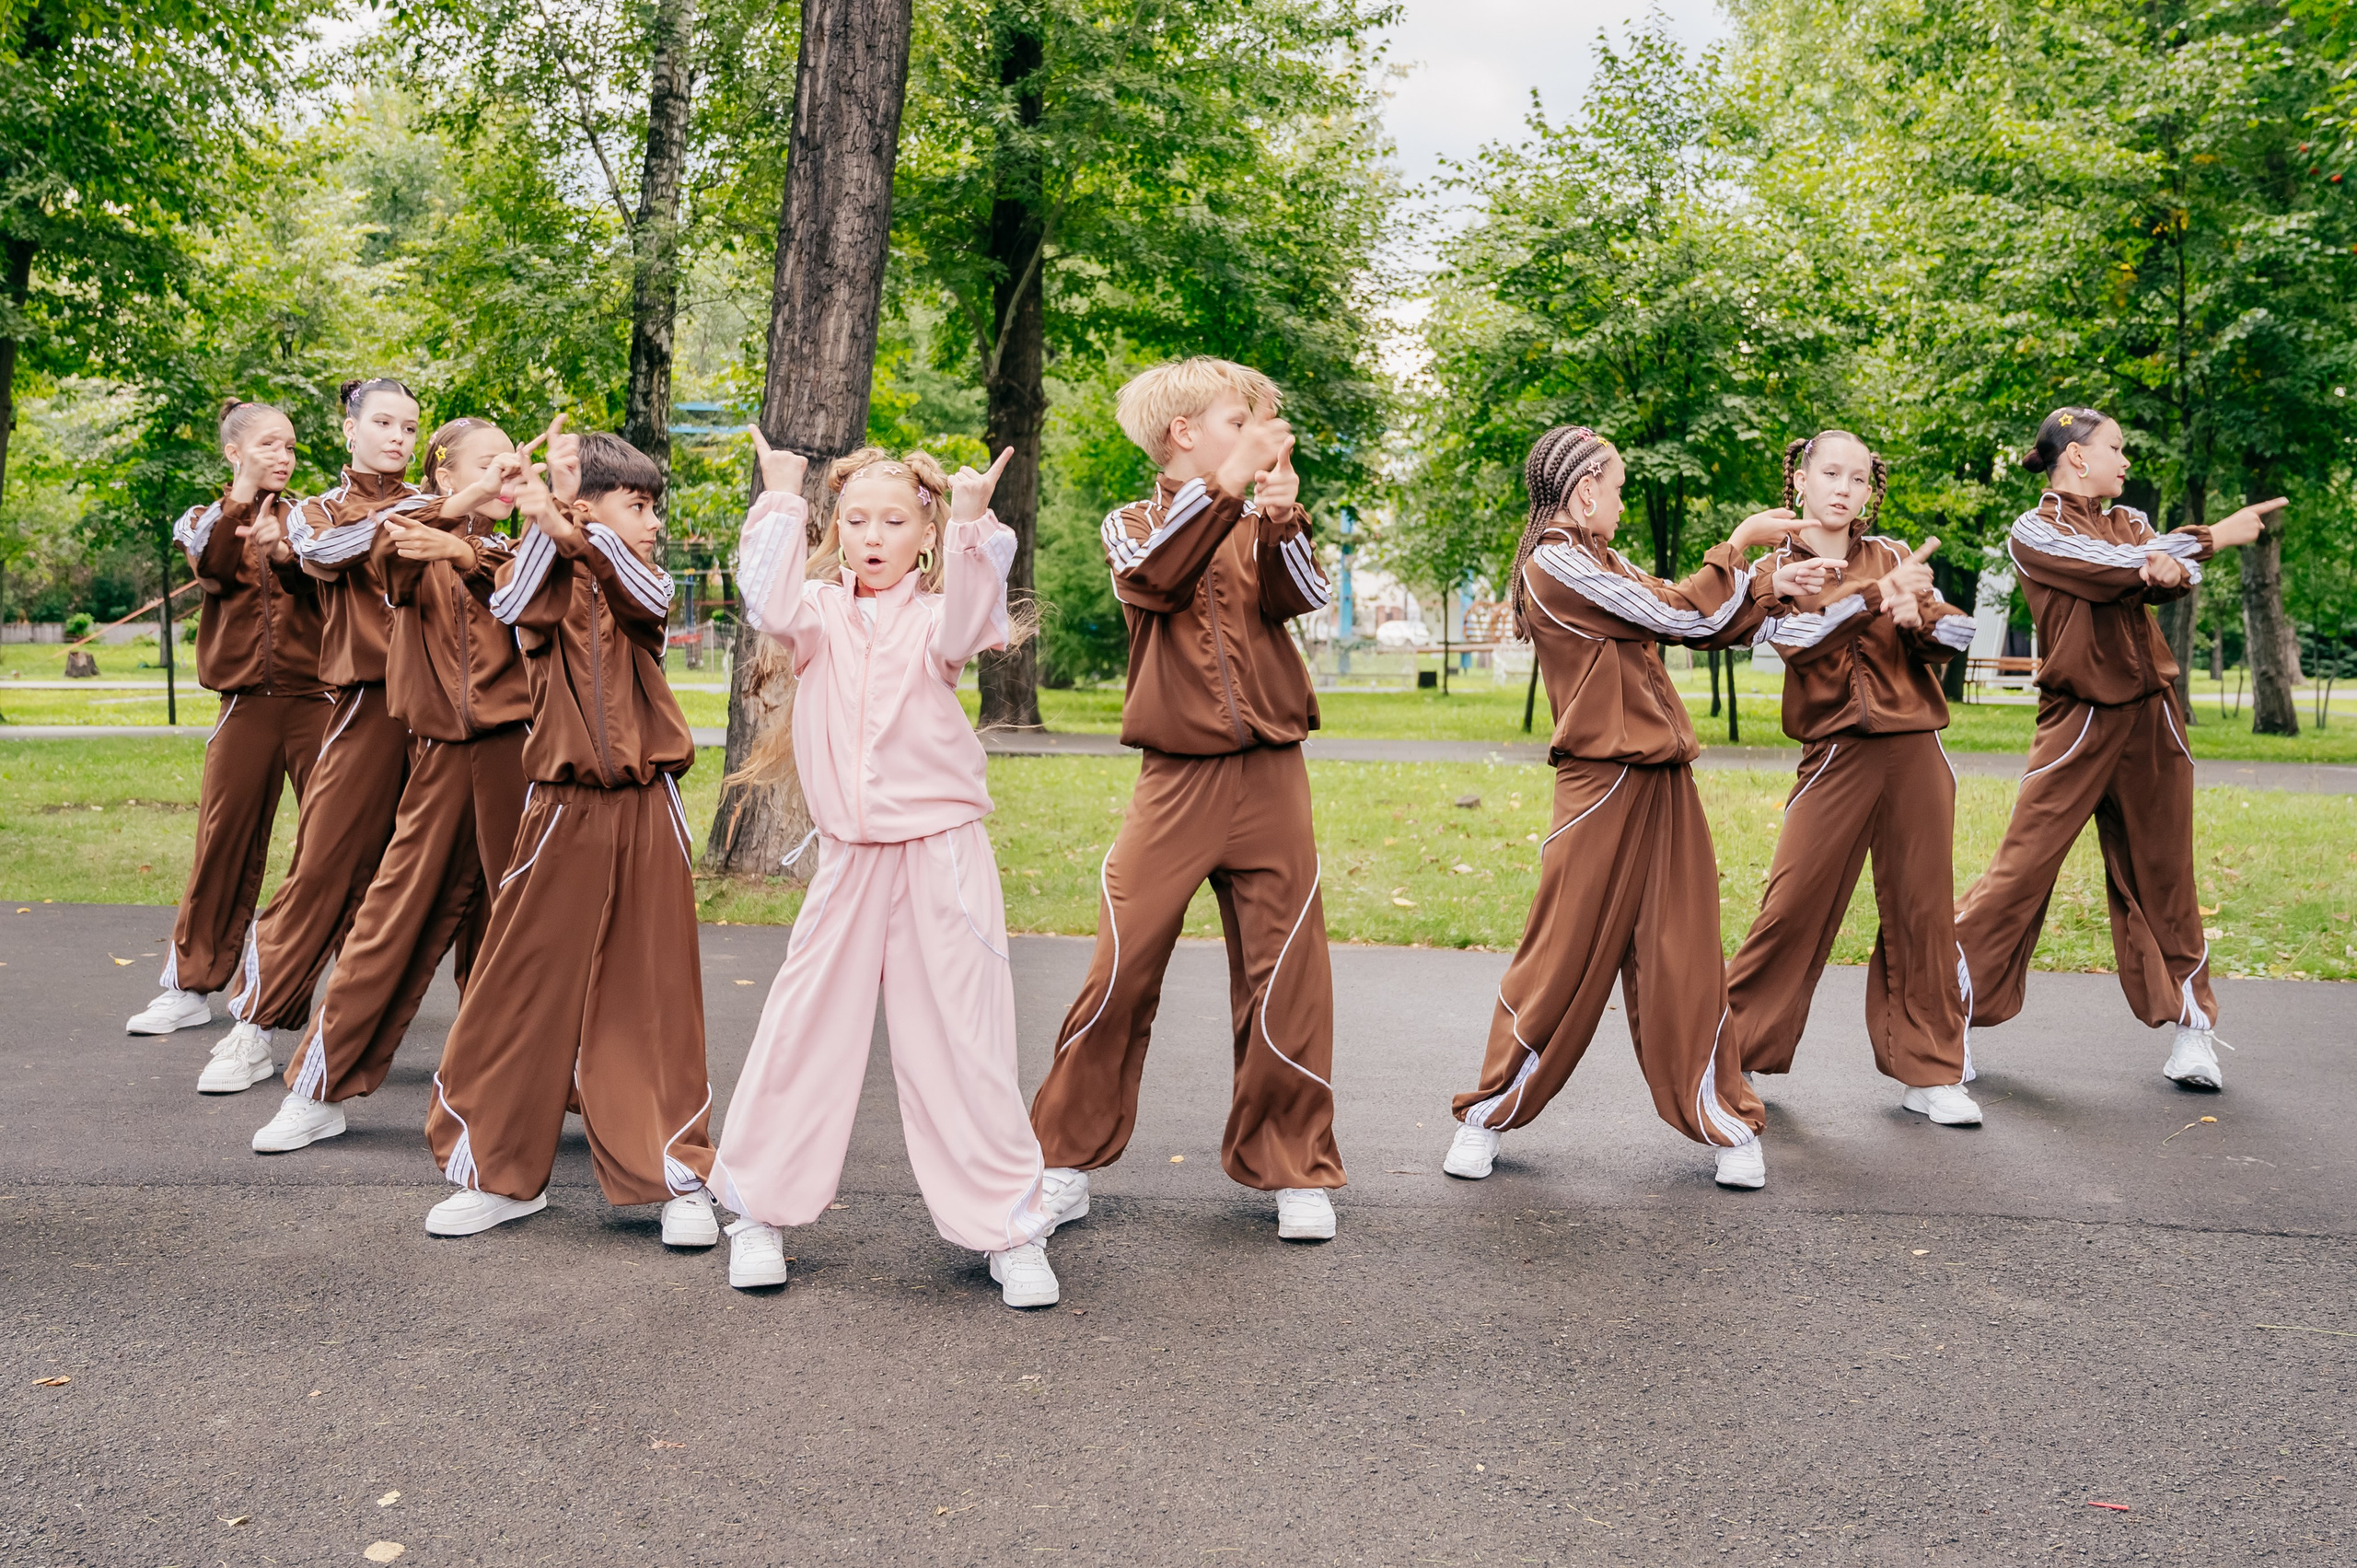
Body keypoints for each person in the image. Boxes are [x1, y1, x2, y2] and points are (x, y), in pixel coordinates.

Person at [1436, 424, 1840, 1191]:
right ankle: (1486, 1114)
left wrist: (1772, 588)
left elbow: (1697, 618)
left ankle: (1724, 1120)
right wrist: (1740, 546)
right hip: (1599, 788)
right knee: (1560, 958)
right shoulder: (1554, 561)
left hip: (1662, 781)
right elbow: (1681, 615)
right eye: (1617, 489)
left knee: (1687, 955)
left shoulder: (1603, 559)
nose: (1621, 504)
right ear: (1585, 490)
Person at [713, 435, 1058, 1307]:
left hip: (942, 852)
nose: (871, 536)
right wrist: (785, 493)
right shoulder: (819, 613)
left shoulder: (938, 619)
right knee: (802, 1026)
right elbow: (767, 597)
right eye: (856, 519)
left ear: (925, 533)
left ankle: (1010, 1230)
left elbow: (974, 614)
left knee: (965, 1040)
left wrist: (975, 517)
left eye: (893, 520)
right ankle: (758, 1212)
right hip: (850, 858)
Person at [1025, 356, 1343, 1245]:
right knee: (1122, 967)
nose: (1256, 434)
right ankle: (1060, 1159)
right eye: (1239, 420)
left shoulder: (1255, 517)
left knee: (1286, 974)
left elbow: (1301, 598)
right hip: (1176, 779)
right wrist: (1230, 489)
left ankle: (1293, 1165)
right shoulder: (1130, 522)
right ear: (1184, 435)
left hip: (1274, 774)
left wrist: (1278, 515)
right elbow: (1156, 578)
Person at [421, 424, 719, 1246]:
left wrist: (569, 526)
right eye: (637, 504)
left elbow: (646, 596)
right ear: (586, 504)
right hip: (557, 807)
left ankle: (675, 1175)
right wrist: (546, 524)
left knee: (651, 991)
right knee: (520, 981)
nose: (654, 519)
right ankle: (497, 1171)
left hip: (646, 802)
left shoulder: (638, 575)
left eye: (654, 504)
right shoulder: (535, 568)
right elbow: (513, 604)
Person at [1954, 408, 2282, 1090]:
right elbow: (2103, 567)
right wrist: (2210, 538)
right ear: (2075, 456)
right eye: (2115, 448)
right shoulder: (2034, 529)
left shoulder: (2130, 520)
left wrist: (2170, 564)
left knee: (2167, 875)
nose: (2125, 460)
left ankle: (2192, 1031)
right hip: (2076, 719)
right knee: (2021, 872)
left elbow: (2160, 571)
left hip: (2152, 719)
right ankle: (1944, 1019)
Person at [248, 418, 533, 1154]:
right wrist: (456, 513)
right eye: (488, 465)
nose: (507, 473)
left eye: (511, 461)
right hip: (442, 757)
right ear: (446, 477)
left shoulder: (519, 546)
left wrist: (472, 541)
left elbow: (524, 581)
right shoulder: (406, 533)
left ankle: (573, 1094)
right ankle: (317, 1084)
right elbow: (390, 553)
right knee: (389, 921)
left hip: (519, 759)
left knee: (537, 927)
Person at [1721, 431, 1983, 1125]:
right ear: (1800, 481)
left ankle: (1929, 1071)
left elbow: (1954, 635)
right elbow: (1797, 643)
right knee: (1791, 905)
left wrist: (1918, 617)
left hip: (1915, 751)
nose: (1843, 488)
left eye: (1858, 478)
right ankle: (1730, 1055)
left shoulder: (1894, 555)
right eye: (1830, 473)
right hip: (1834, 754)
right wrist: (1874, 599)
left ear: (1872, 489)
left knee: (1922, 910)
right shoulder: (1777, 568)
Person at [200, 377, 423, 1095]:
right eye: (383, 422)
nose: (397, 437)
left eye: (410, 427)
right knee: (322, 868)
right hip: (363, 710)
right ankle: (256, 1024)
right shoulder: (315, 512)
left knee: (481, 883)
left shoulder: (436, 507)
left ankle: (540, 1063)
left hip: (453, 723)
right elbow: (314, 557)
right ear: (350, 430)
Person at [130, 401, 333, 1039]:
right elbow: (214, 572)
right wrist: (241, 507)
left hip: (322, 704)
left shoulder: (312, 516)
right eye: (270, 445)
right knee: (224, 842)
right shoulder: (201, 519)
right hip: (244, 705)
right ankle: (189, 985)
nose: (284, 456)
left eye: (292, 447)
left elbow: (314, 580)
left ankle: (349, 993)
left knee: (340, 846)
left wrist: (282, 551)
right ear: (234, 452)